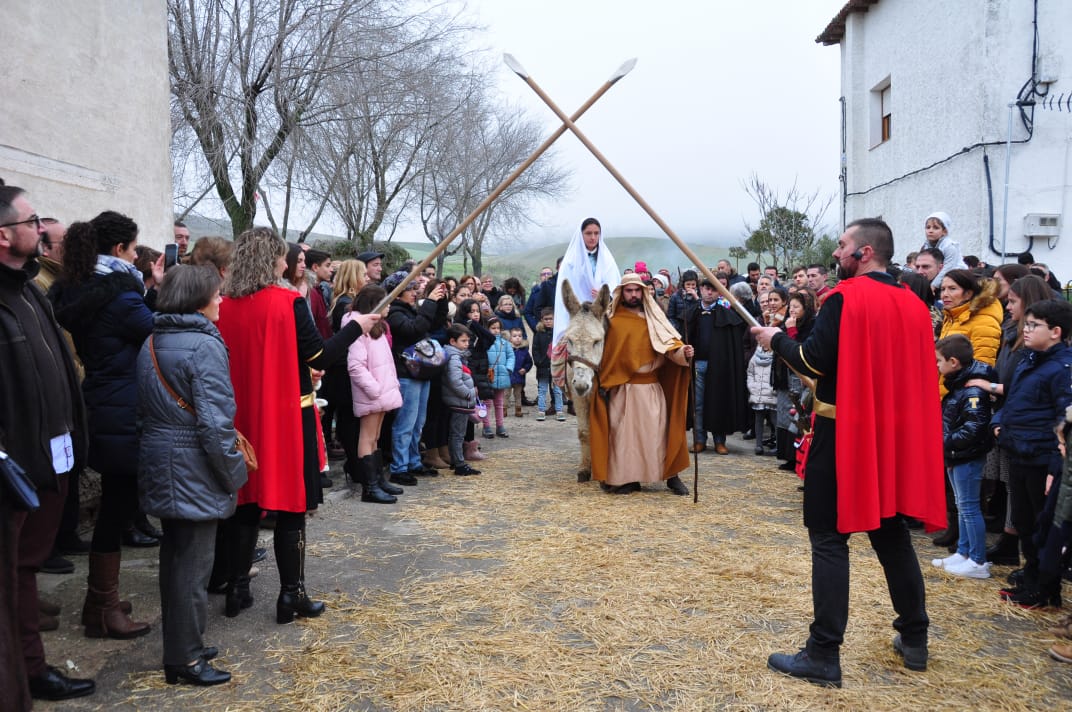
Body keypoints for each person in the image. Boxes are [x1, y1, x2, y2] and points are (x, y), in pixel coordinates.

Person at [753, 218, 944, 688]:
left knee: (829, 538)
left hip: (845, 432)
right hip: (891, 435)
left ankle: (823, 654)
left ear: (864, 252)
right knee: (891, 535)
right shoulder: (913, 303)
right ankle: (915, 637)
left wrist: (776, 340)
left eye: (843, 245)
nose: (836, 253)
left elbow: (812, 361)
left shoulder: (844, 298)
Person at [215, 227, 379, 624]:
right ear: (274, 259)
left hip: (239, 417)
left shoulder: (223, 305)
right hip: (285, 415)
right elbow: (320, 355)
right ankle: (292, 594)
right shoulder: (287, 301)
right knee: (291, 506)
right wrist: (356, 327)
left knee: (245, 503)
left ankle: (237, 587)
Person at [0, 186, 95, 705]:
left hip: (54, 455)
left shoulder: (31, 290)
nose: (40, 229)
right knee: (15, 571)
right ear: (4, 235)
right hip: (18, 465)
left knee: (28, 566)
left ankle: (28, 666)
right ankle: (28, 672)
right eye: (31, 221)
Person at [50, 210, 160, 640]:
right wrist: (159, 292)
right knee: (117, 506)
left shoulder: (81, 288)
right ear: (118, 249)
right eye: (133, 250)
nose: (136, 258)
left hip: (101, 402)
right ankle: (103, 607)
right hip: (122, 408)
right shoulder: (121, 296)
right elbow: (156, 333)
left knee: (116, 504)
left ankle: (100, 601)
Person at [136, 264, 246, 686]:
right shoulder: (203, 345)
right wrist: (233, 472)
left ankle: (185, 644)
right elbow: (215, 424)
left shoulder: (152, 339)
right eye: (216, 294)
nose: (221, 300)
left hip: (161, 456)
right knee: (193, 567)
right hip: (191, 462)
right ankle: (185, 659)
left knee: (176, 559)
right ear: (198, 300)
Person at [991, 299, 1072, 608]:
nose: (1025, 329)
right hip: (1019, 450)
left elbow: (1063, 421)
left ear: (1055, 332)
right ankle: (1030, 575)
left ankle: (1044, 588)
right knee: (1024, 523)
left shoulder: (1062, 368)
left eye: (1034, 325)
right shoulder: (1029, 359)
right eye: (1026, 323)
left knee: (1041, 527)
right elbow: (1013, 398)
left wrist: (1055, 466)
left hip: (1041, 456)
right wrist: (999, 424)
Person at [588, 274, 694, 495]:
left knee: (656, 435)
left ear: (644, 292)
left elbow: (670, 348)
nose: (633, 295)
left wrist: (683, 352)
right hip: (622, 389)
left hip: (651, 389)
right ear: (622, 293)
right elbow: (602, 354)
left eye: (637, 290)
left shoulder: (656, 319)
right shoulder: (613, 322)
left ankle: (671, 476)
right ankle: (627, 479)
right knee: (624, 438)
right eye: (629, 290)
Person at [931, 334, 996, 579]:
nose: (937, 365)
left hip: (966, 455)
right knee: (962, 505)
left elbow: (974, 427)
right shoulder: (959, 385)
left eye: (939, 361)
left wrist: (946, 441)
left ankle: (977, 560)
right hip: (956, 454)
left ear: (954, 362)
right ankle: (964, 552)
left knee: (969, 507)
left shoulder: (972, 391)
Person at [384, 269, 449, 484]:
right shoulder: (395, 313)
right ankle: (399, 467)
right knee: (405, 423)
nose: (415, 292)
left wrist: (440, 300)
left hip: (420, 373)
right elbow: (415, 329)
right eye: (410, 289)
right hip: (406, 374)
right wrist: (429, 302)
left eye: (415, 288)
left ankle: (413, 462)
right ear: (397, 292)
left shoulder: (410, 310)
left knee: (418, 422)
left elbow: (434, 323)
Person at [346, 285, 402, 504]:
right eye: (385, 302)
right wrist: (375, 390)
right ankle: (369, 487)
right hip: (372, 393)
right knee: (367, 437)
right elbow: (355, 366)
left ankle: (378, 480)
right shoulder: (358, 328)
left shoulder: (376, 326)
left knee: (375, 437)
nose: (389, 307)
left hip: (381, 391)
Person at [683, 278, 749, 455]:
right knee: (698, 404)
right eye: (706, 288)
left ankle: (719, 441)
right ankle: (699, 440)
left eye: (713, 289)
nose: (709, 292)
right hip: (697, 365)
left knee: (718, 402)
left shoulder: (727, 315)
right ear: (700, 290)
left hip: (719, 366)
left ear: (719, 292)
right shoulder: (691, 313)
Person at [553, 218, 620, 348]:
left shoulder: (607, 260)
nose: (593, 237)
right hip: (577, 314)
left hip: (601, 312)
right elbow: (566, 292)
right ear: (581, 234)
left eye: (596, 233)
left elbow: (615, 285)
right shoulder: (570, 262)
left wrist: (604, 295)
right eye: (588, 233)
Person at [442, 324, 481, 475]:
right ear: (453, 341)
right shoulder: (454, 358)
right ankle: (459, 464)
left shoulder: (458, 356)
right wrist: (470, 393)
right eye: (463, 341)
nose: (467, 344)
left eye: (468, 341)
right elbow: (455, 382)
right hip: (459, 402)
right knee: (457, 434)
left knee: (457, 434)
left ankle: (457, 461)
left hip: (460, 401)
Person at [920, 211, 967, 290]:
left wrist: (933, 285)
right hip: (937, 279)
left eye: (936, 228)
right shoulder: (925, 246)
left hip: (957, 278)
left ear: (944, 231)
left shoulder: (949, 246)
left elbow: (947, 268)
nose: (930, 230)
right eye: (928, 227)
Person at [485, 317, 515, 438]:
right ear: (487, 329)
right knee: (487, 403)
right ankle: (486, 426)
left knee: (499, 403)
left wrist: (508, 368)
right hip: (488, 376)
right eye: (493, 328)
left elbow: (511, 356)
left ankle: (500, 426)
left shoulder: (505, 343)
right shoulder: (485, 342)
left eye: (498, 328)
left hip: (502, 375)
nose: (496, 330)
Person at [532, 307, 563, 421]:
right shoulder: (539, 334)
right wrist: (539, 362)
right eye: (546, 319)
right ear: (542, 320)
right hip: (543, 367)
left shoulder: (558, 333)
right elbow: (535, 349)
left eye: (551, 319)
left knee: (558, 390)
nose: (548, 321)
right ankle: (541, 410)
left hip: (556, 366)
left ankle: (559, 410)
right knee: (542, 389)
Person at [508, 327, 532, 418]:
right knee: (506, 394)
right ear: (510, 338)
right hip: (508, 376)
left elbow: (529, 362)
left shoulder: (524, 351)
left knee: (518, 394)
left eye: (519, 336)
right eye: (514, 336)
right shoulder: (507, 349)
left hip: (519, 376)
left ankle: (518, 410)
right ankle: (503, 409)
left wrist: (525, 369)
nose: (517, 338)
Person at [666, 270, 698, 334]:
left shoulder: (700, 295)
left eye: (693, 284)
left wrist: (696, 298)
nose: (691, 287)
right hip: (680, 330)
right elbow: (671, 316)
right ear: (683, 284)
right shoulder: (675, 296)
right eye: (688, 284)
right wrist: (677, 328)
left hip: (696, 331)